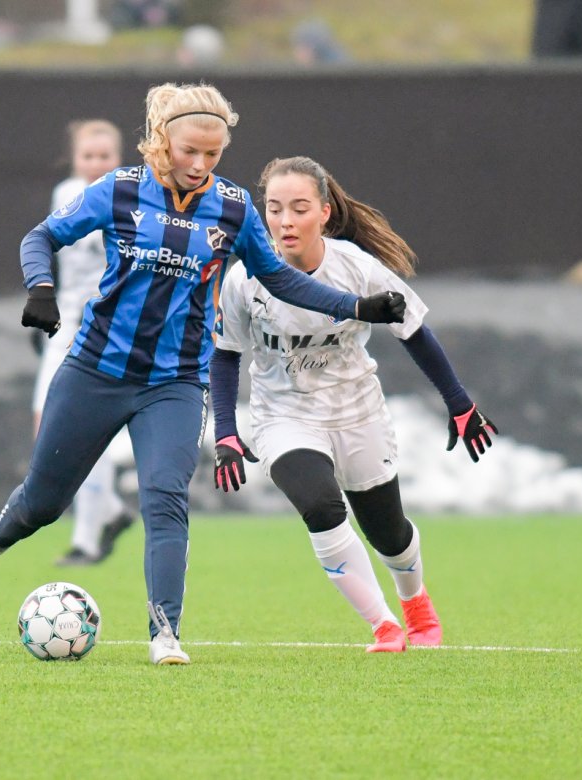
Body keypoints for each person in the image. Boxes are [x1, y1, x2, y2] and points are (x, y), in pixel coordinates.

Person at [0, 82, 406, 666]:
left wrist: (355, 306)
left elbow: (280, 279)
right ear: (162, 140)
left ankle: (165, 633)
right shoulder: (119, 189)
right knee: (44, 503)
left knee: (164, 499)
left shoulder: (233, 207)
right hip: (95, 371)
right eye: (190, 151)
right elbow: (41, 237)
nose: (201, 164)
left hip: (177, 383)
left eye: (213, 153)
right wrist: (40, 287)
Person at [210, 156, 498, 652]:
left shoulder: (356, 267)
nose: (285, 221)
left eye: (299, 208)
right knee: (320, 507)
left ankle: (415, 603)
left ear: (324, 212)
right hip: (284, 416)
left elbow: (414, 332)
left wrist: (459, 404)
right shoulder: (244, 279)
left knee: (388, 534)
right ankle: (384, 625)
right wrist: (226, 431)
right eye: (274, 209)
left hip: (356, 411)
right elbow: (225, 354)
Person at [34, 119, 136, 568]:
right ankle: (110, 512)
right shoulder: (65, 193)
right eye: (87, 156)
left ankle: (87, 540)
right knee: (47, 429)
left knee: (85, 429)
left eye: (104, 156)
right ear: (74, 159)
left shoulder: (131, 196)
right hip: (66, 323)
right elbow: (57, 253)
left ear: (119, 158)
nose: (96, 163)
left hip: (105, 327)